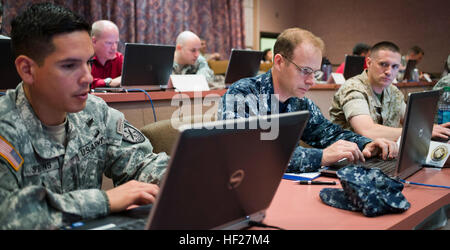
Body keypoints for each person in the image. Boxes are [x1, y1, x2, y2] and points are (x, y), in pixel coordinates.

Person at [0, 2, 169, 229]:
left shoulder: (95, 112)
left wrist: (181, 174)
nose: (88, 77)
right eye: (69, 65)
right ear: (27, 69)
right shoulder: (5, 127)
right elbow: (8, 214)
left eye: (88, 62)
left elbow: (141, 163)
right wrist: (106, 200)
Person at [218, 27, 398, 173]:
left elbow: (330, 133)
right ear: (279, 62)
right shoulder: (243, 94)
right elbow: (246, 153)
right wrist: (321, 157)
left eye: (315, 72)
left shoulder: (300, 102)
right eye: (305, 70)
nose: (312, 81)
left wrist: (366, 143)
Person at [330, 41, 450, 142]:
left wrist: (434, 129)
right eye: (383, 64)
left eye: (395, 67)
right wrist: (422, 131)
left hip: (381, 156)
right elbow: (367, 131)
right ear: (369, 62)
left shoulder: (393, 91)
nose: (389, 71)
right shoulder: (353, 88)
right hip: (348, 160)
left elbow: (412, 121)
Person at [90, 20, 123, 88]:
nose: (114, 47)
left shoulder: (119, 59)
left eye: (116, 42)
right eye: (109, 43)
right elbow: (84, 83)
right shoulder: (84, 59)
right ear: (94, 41)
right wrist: (109, 82)